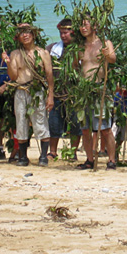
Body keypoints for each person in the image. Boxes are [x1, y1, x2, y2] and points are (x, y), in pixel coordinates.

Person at [2, 23, 54, 167]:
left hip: (37, 91)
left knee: (40, 121)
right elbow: (13, 76)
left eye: (28, 32)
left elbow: (49, 75)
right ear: (18, 37)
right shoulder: (15, 54)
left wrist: (50, 96)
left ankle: (43, 156)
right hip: (20, 91)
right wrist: (8, 62)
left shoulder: (43, 53)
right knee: (21, 123)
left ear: (33, 34)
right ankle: (23, 157)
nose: (25, 35)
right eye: (22, 33)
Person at [75, 17, 117, 170]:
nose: (83, 27)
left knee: (105, 128)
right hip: (84, 90)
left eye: (85, 24)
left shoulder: (105, 43)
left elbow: (113, 59)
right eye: (81, 24)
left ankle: (111, 160)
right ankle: (89, 159)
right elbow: (75, 67)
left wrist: (107, 54)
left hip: (100, 88)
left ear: (95, 25)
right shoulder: (80, 46)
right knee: (85, 129)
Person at [45, 18, 81, 160]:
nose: (63, 35)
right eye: (61, 33)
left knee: (75, 125)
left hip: (75, 94)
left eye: (66, 33)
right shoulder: (52, 48)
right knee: (54, 124)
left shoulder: (80, 49)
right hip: (57, 94)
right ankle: (53, 152)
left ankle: (73, 152)